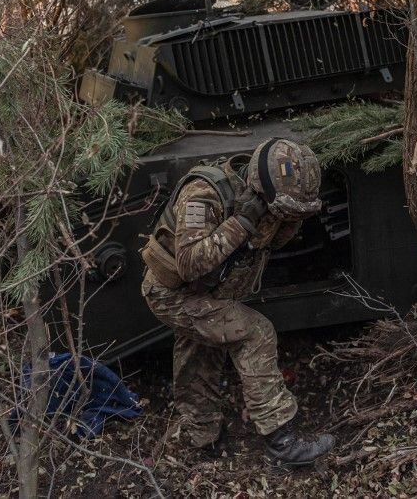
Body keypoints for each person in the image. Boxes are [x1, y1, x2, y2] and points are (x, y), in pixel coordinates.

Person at [140, 137, 336, 465]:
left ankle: (202, 439)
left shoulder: (269, 199)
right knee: (255, 333)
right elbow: (189, 264)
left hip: (210, 292)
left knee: (200, 354)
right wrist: (241, 222)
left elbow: (274, 242)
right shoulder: (205, 193)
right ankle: (281, 440)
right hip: (172, 293)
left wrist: (282, 220)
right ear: (262, 190)